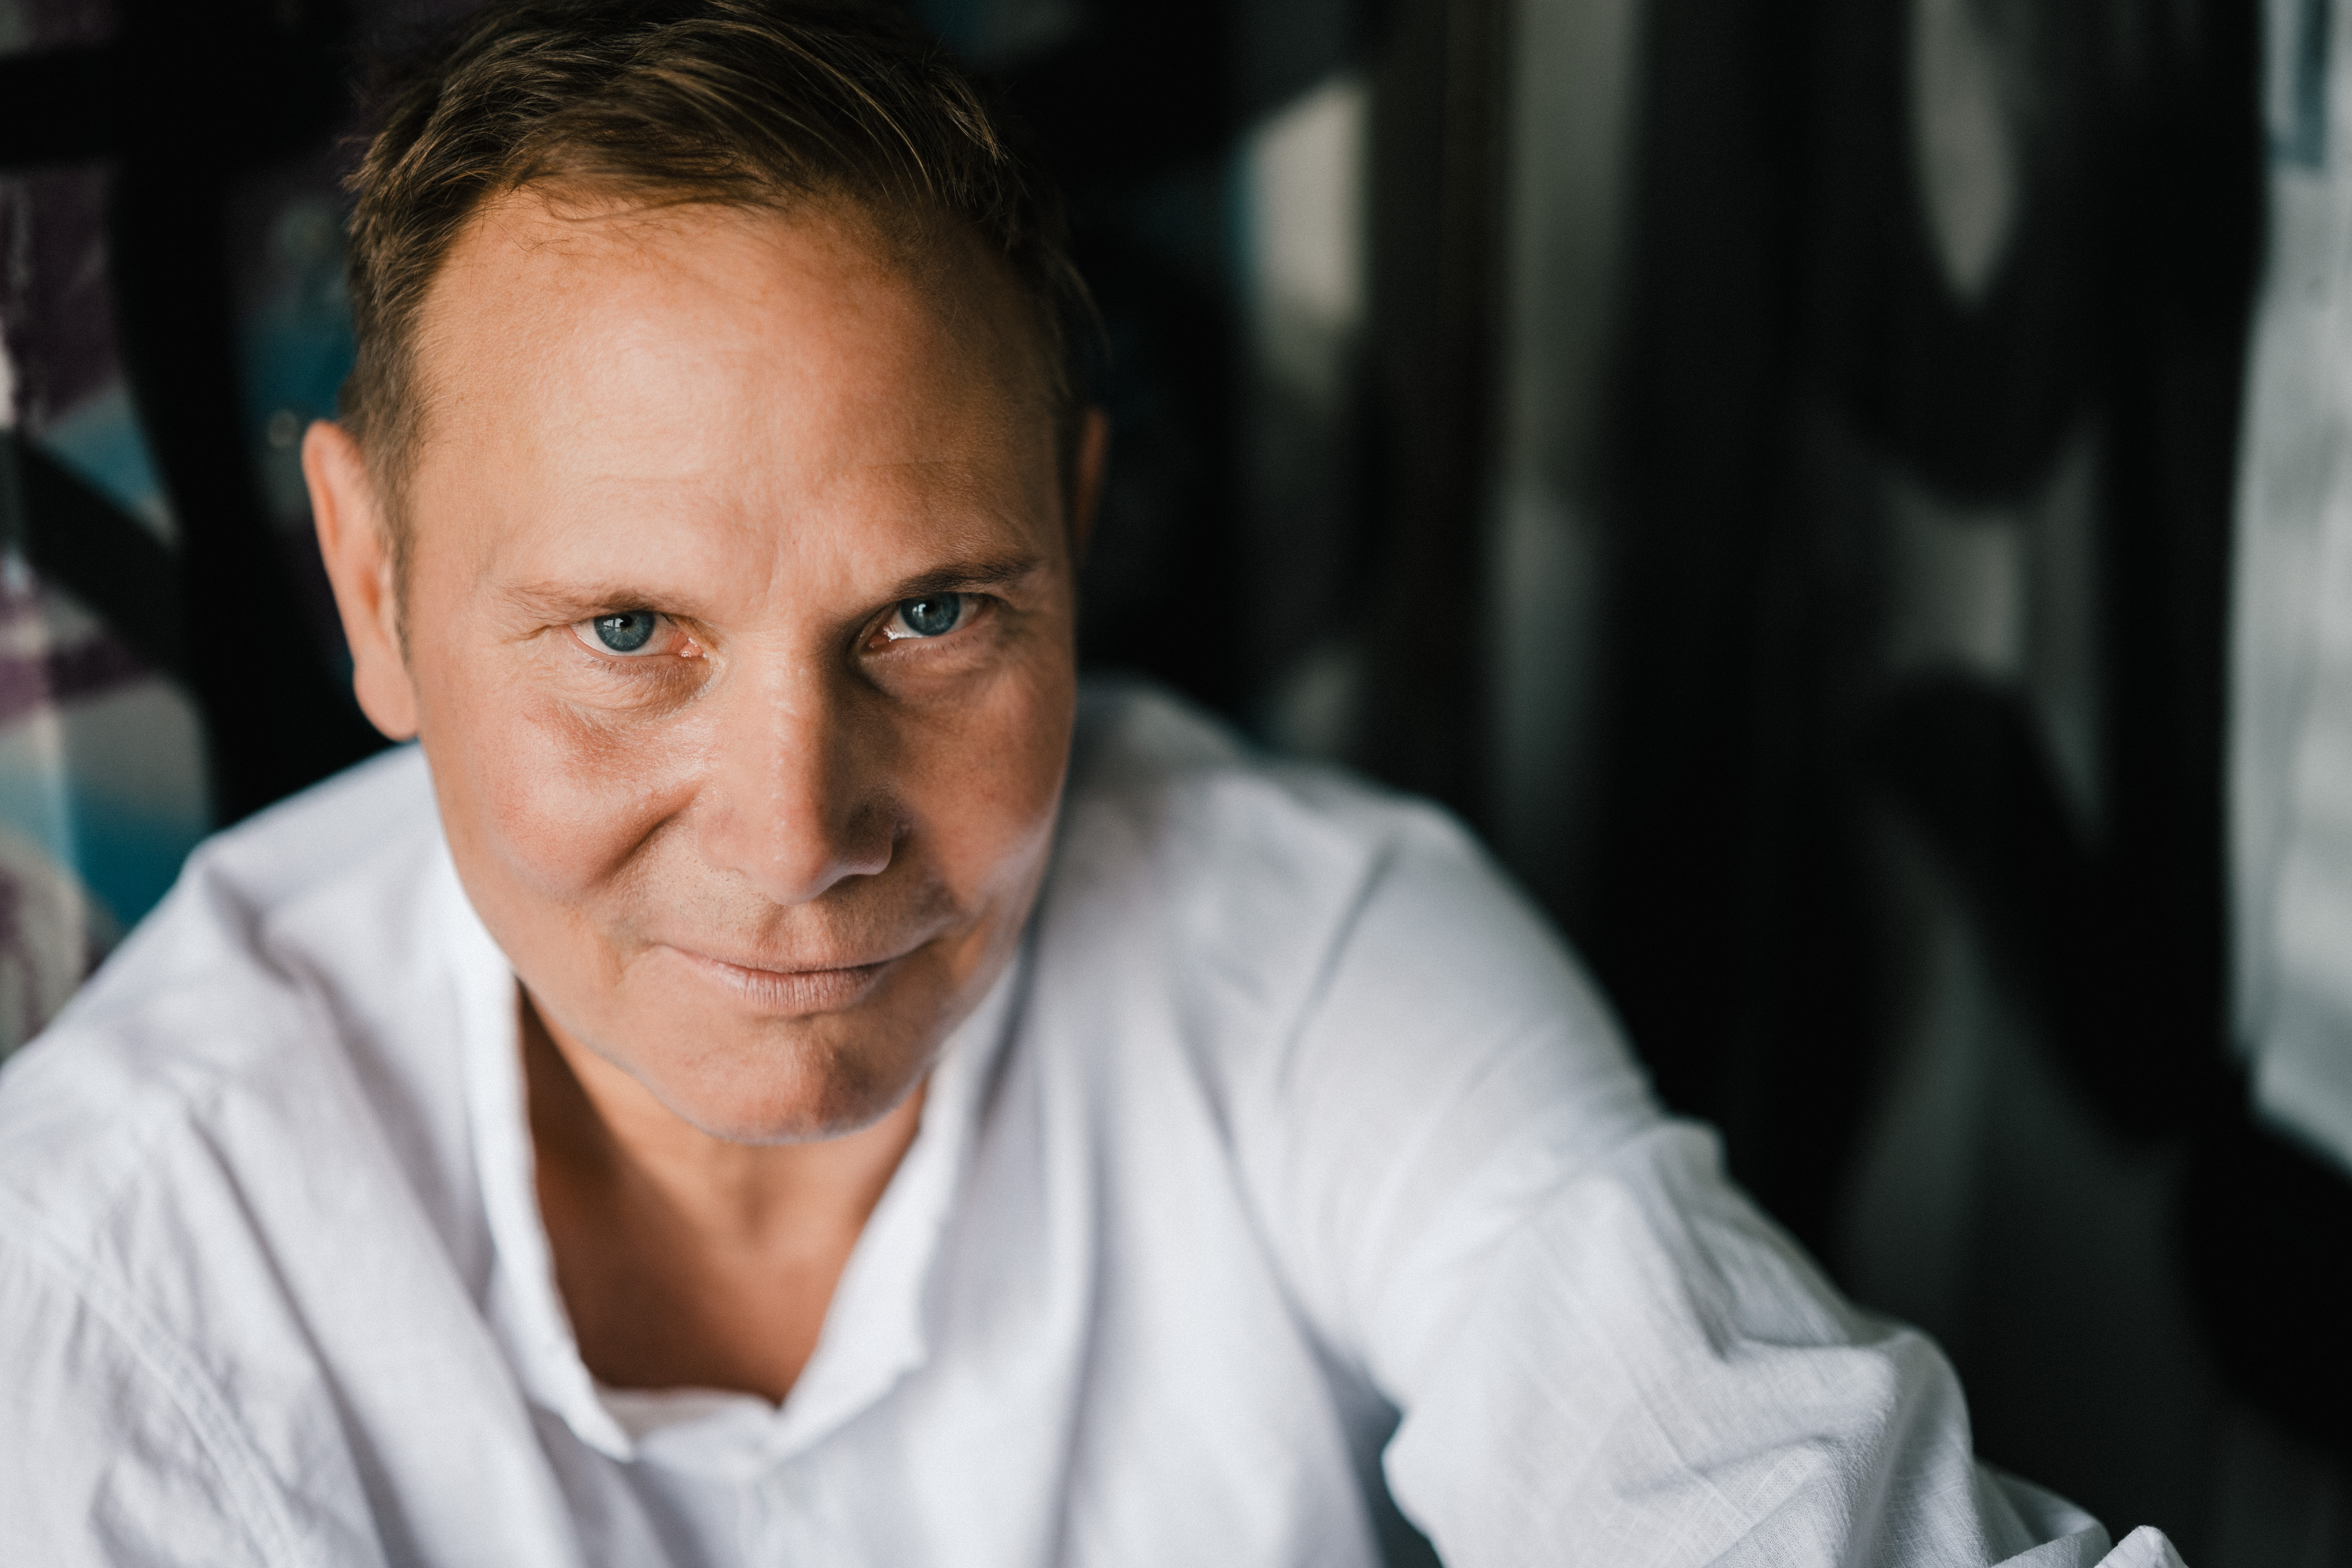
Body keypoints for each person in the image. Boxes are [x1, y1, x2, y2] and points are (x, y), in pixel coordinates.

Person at [0, 3, 2185, 1562]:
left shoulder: (1307, 963)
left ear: (1074, 528)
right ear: (375, 588)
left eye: (932, 614)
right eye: (629, 635)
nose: (798, 834)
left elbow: (1748, 1479)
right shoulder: (119, 1261)